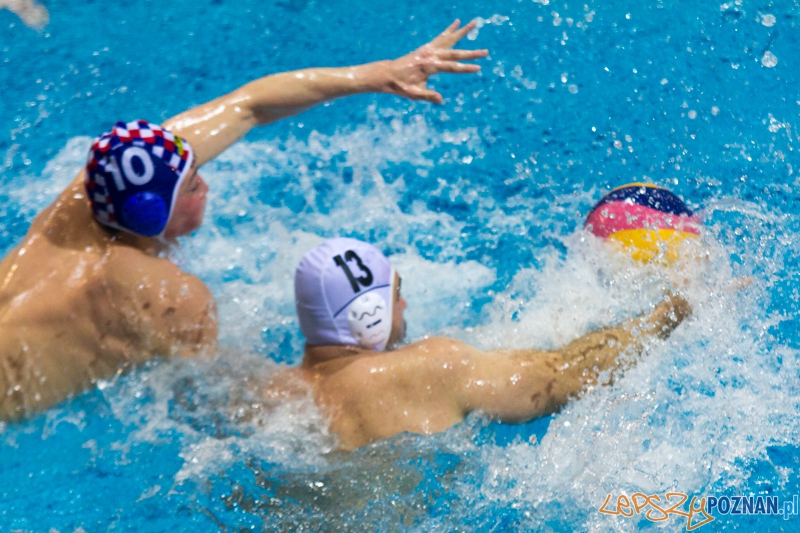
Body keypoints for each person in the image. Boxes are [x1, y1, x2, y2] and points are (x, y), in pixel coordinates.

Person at [0, 20, 488, 420]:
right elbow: (224, 407)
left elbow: (248, 106)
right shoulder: (166, 297)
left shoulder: (86, 198)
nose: (205, 183)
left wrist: (382, 74)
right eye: (193, 184)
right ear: (153, 214)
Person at [291, 238, 692, 451]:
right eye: (396, 294)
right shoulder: (428, 368)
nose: (405, 304)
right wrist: (672, 312)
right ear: (368, 314)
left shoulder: (270, 393)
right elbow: (564, 374)